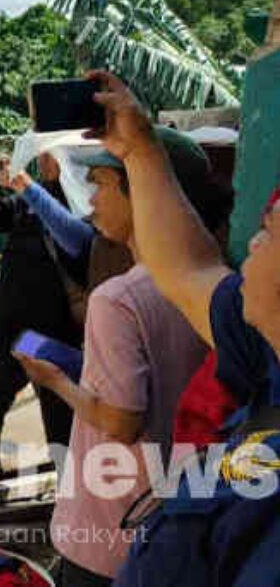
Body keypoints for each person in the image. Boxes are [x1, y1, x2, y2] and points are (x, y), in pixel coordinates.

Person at [80, 70, 280, 587]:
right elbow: (189, 270)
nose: (252, 245)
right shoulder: (264, 349)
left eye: (270, 230)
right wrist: (139, 148)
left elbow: (121, 420)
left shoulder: (116, 300)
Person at [15, 127, 221, 586]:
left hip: (108, 532)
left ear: (146, 193)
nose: (91, 198)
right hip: (174, 520)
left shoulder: (119, 299)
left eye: (104, 184)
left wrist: (54, 380)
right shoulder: (220, 288)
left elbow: (120, 421)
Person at [0, 152, 97, 476]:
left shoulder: (88, 206)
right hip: (9, 334)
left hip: (54, 340)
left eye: (52, 152)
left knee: (63, 428)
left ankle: (72, 507)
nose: (44, 158)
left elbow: (76, 241)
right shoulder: (24, 204)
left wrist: (28, 188)